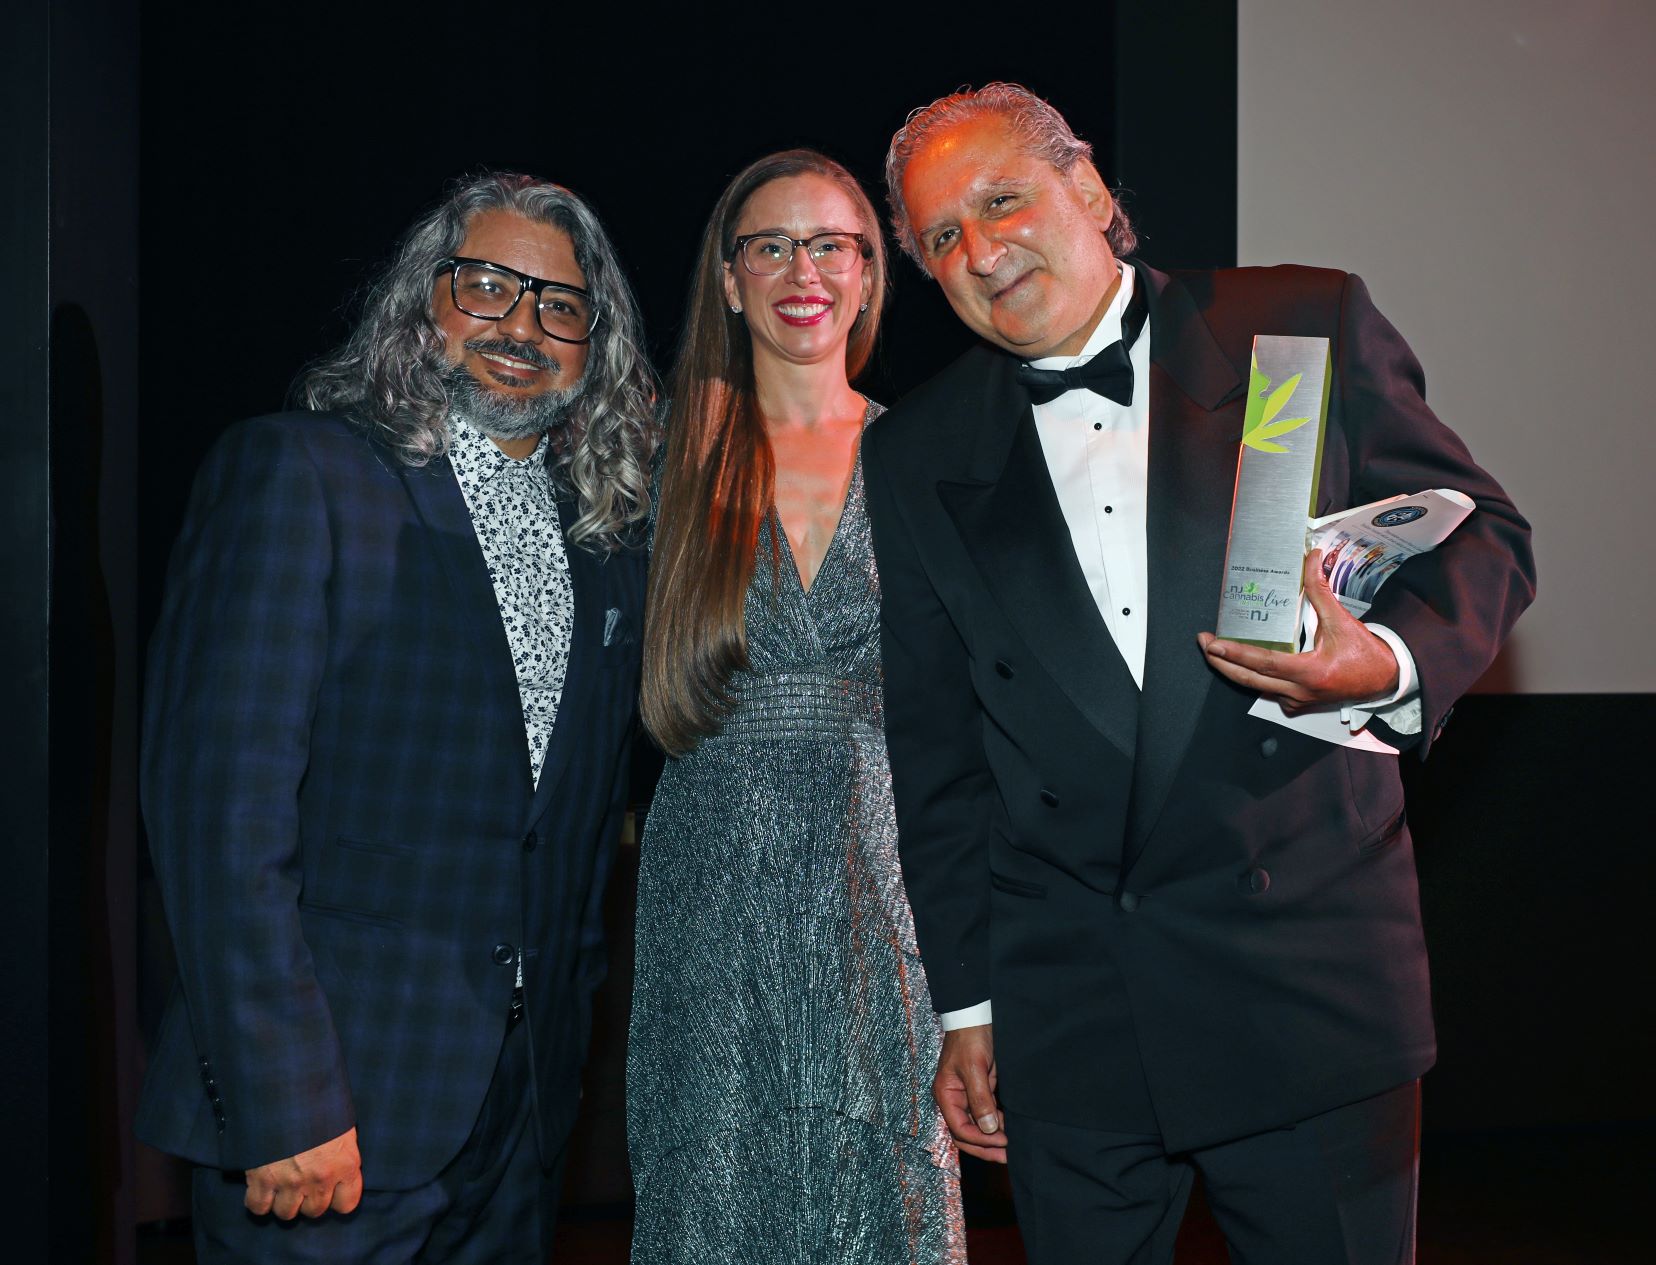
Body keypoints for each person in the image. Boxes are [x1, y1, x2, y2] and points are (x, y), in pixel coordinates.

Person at [862, 84, 1536, 1265]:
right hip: (1071, 1008)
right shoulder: (915, 449)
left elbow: (1485, 536)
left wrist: (1376, 663)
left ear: (1091, 189)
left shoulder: (1295, 328)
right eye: (942, 238)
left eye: (1002, 199)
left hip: (1305, 984)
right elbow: (938, 749)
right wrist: (964, 1005)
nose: (980, 248)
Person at [137, 172, 660, 1262]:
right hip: (328, 1124)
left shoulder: (605, 549)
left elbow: (561, 844)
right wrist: (280, 1098)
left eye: (560, 305)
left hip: (517, 1130)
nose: (522, 324)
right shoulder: (300, 472)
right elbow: (217, 818)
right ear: (420, 301)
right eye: (487, 287)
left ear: (594, 345)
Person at [628, 149, 964, 1264]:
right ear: (729, 280)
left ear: (870, 275)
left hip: (889, 875)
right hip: (710, 883)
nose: (799, 268)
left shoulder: (933, 455)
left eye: (831, 243)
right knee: (714, 1186)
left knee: (889, 1188)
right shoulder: (659, 454)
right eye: (768, 244)